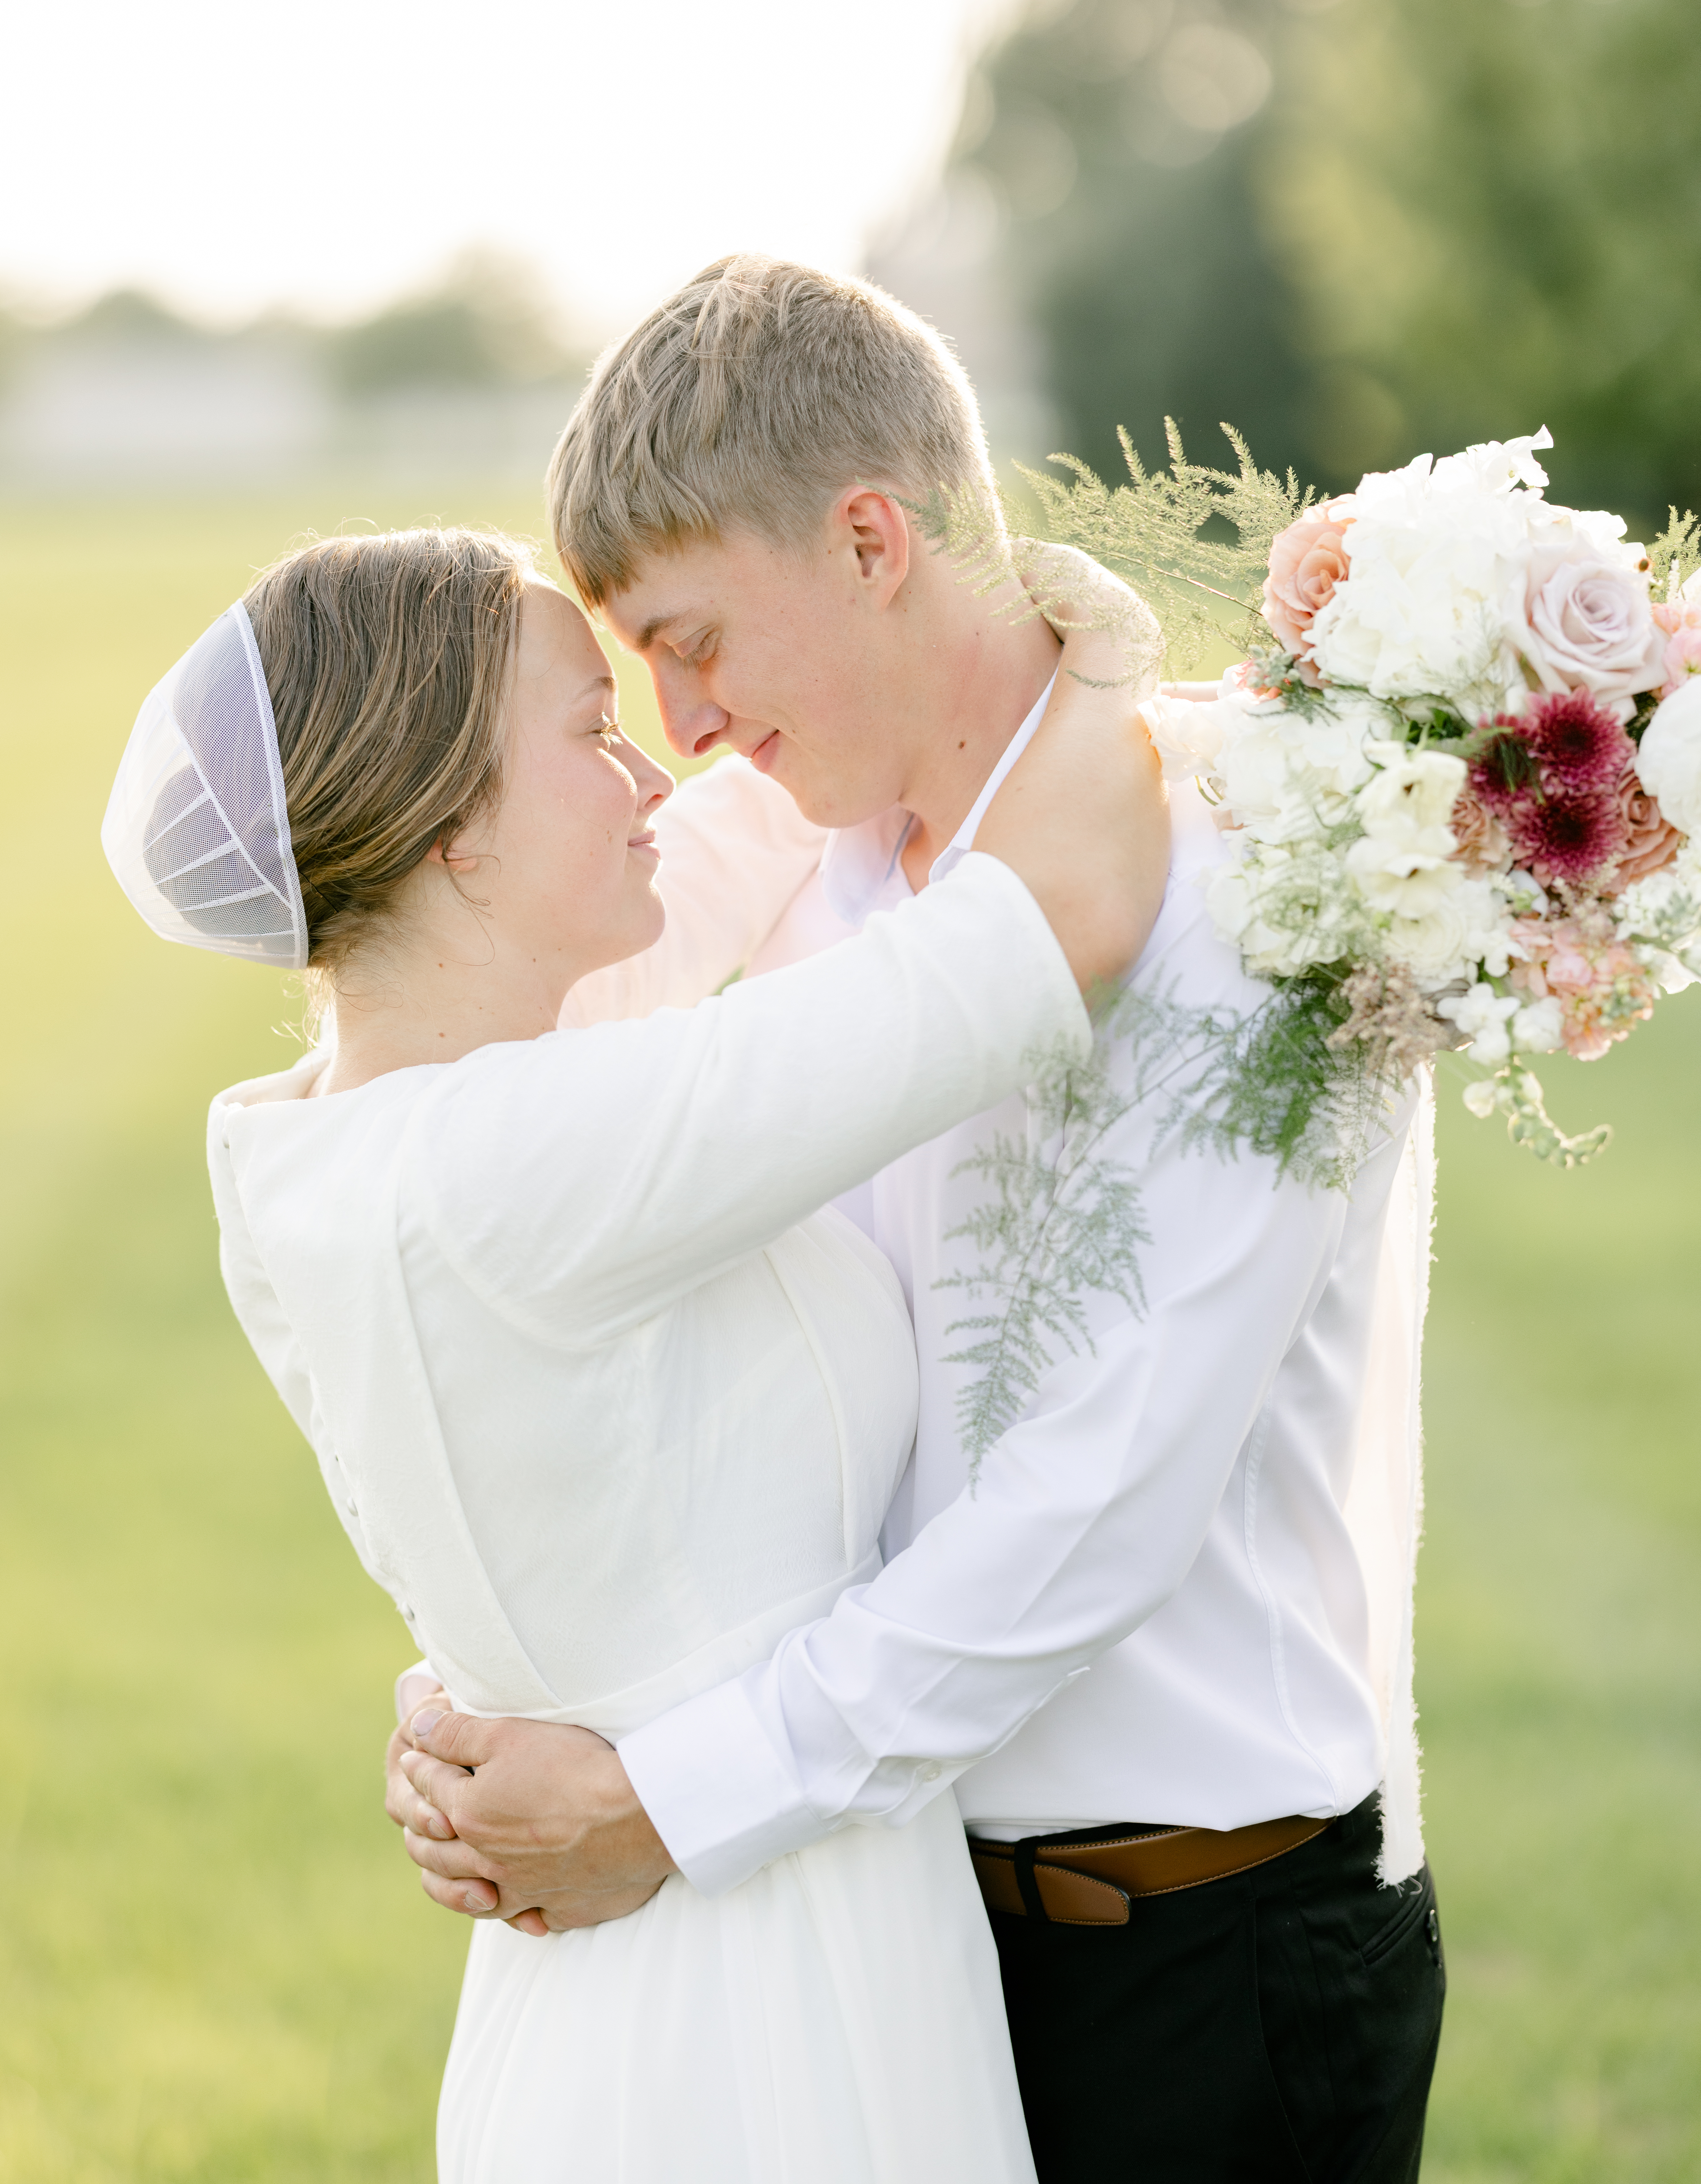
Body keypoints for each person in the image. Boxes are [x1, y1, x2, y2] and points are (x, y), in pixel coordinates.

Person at [388, 258, 1447, 2184]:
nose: (685, 723)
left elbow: (1090, 1509)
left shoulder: (1255, 898)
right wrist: (488, 1702)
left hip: (1192, 1959)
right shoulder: (801, 886)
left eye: (694, 640)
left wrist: (659, 1802)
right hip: (888, 1938)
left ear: (870, 538)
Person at [101, 520, 1168, 2184]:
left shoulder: (312, 1152)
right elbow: (1069, 912)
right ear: (456, 827)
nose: (656, 775)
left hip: (613, 1963)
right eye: (594, 733)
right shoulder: (532, 1160)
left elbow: (716, 853)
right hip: (765, 1978)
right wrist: (1087, 649)